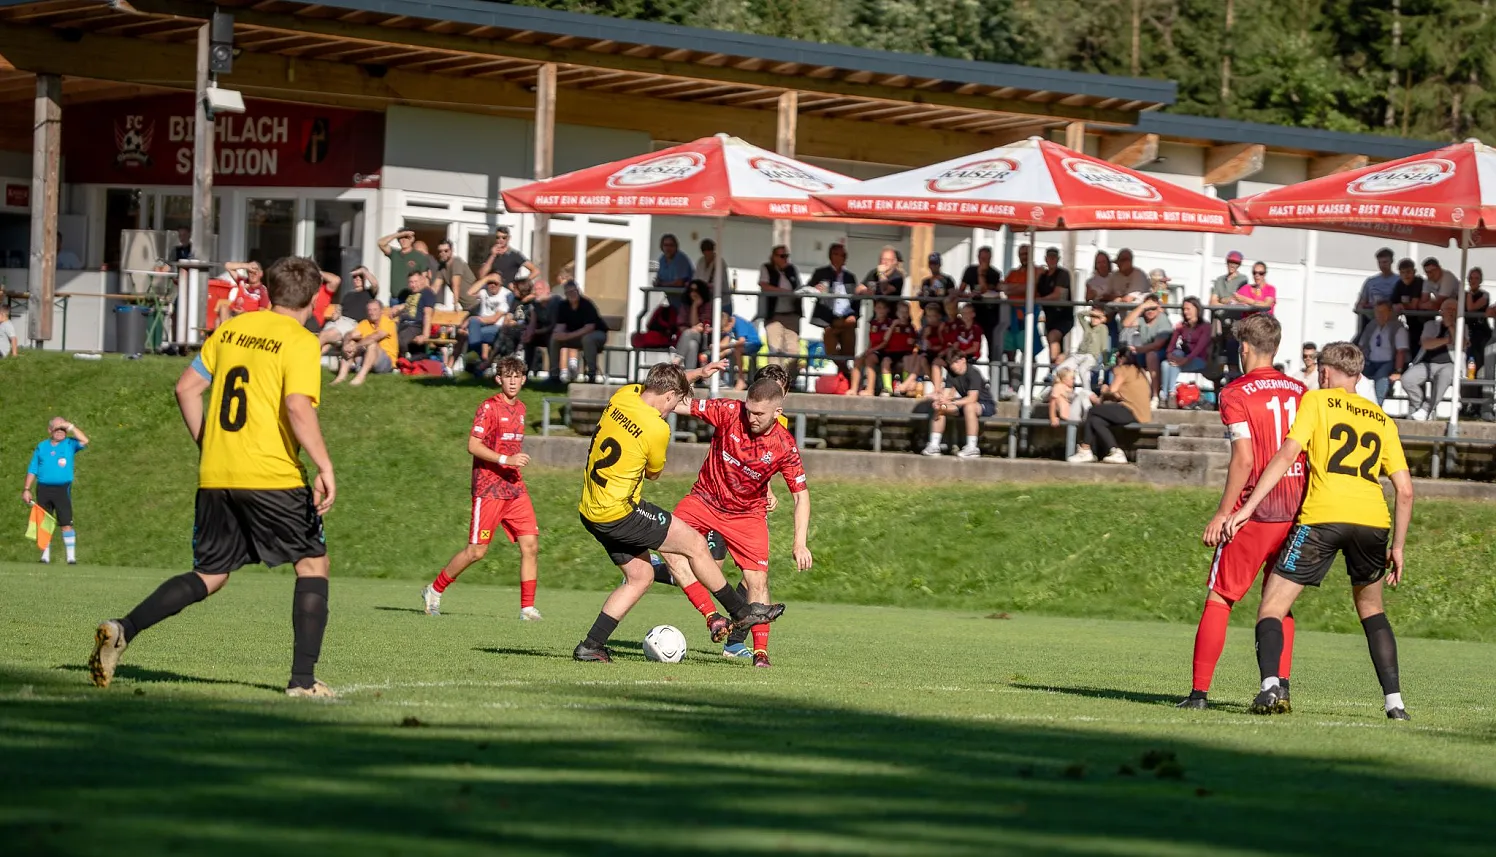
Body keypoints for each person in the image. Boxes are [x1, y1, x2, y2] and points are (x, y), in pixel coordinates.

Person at [90, 256, 337, 697]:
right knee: (313, 564)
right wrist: (325, 465)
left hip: (216, 473)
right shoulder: (301, 341)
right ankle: (302, 681)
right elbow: (298, 408)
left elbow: (186, 388)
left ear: (271, 292)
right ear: (316, 296)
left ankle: (123, 628)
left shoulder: (231, 329)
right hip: (271, 474)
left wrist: (210, 444)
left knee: (211, 573)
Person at [1224, 342, 1414, 720]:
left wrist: (1247, 507)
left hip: (1324, 516)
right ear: (1358, 375)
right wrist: (1399, 547)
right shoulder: (1381, 418)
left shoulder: (1316, 401)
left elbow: (1286, 454)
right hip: (1373, 521)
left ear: (1325, 372)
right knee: (1372, 610)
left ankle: (1269, 688)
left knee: (1272, 607)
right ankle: (1395, 703)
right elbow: (1405, 490)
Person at [572, 363, 783, 662]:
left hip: (590, 509)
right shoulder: (657, 428)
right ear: (669, 395)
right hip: (620, 512)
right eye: (673, 401)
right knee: (695, 544)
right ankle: (741, 612)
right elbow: (654, 473)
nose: (672, 409)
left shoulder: (623, 395)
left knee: (640, 576)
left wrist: (695, 374)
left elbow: (662, 384)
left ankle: (591, 645)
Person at [1178, 314, 1306, 710]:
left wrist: (1223, 512)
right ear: (1277, 348)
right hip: (1297, 509)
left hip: (1256, 511)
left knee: (1220, 597)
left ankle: (1199, 693)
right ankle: (1278, 686)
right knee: (1280, 603)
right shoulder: (1302, 390)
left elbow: (1244, 459)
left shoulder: (1235, 393)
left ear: (1244, 349)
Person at [660, 378, 812, 667]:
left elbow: (801, 497)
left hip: (747, 515)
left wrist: (799, 542)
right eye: (749, 410)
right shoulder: (729, 411)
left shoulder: (784, 445)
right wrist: (646, 400)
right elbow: (681, 404)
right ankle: (713, 617)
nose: (751, 418)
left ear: (777, 412)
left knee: (758, 581)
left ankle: (760, 653)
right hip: (704, 500)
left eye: (759, 414)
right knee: (666, 546)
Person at [421, 357, 541, 620]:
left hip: (514, 487)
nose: (512, 381)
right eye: (507, 376)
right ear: (498, 379)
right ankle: (434, 589)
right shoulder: (488, 407)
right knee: (477, 551)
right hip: (489, 489)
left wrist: (512, 463)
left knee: (530, 545)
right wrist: (505, 459)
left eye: (517, 376)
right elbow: (473, 445)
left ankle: (527, 609)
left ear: (523, 379)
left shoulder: (521, 409)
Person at [23, 417, 90, 564]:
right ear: (49, 430)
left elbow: (85, 440)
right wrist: (27, 489)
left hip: (62, 489)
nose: (60, 432)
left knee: (66, 522)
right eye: (57, 429)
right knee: (43, 522)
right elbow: (33, 468)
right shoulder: (42, 447)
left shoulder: (70, 444)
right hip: (43, 488)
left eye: (63, 429)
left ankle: (71, 558)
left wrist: (70, 426)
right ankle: (45, 557)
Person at [1069, 353, 1150, 464]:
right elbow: (1123, 394)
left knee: (1092, 411)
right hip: (1139, 412)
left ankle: (1085, 449)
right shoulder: (1139, 371)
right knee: (1095, 421)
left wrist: (1105, 389)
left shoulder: (1124, 369)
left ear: (1121, 359)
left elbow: (1112, 389)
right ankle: (1115, 451)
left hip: (1130, 410)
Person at [922, 350, 995, 459]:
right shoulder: (951, 374)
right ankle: (934, 445)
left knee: (969, 407)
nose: (953, 366)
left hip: (984, 404)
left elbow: (972, 398)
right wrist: (940, 400)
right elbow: (946, 395)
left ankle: (972, 447)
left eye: (955, 362)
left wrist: (954, 402)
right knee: (940, 408)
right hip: (963, 404)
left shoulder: (973, 373)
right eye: (951, 363)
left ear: (963, 360)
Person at [1402, 298, 1464, 421]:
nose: (1450, 312)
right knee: (1406, 379)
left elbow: (1461, 344)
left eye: (1454, 309)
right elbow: (1426, 344)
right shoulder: (1430, 325)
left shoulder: (1463, 326)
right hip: (1426, 363)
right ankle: (1420, 406)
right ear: (1441, 311)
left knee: (1445, 376)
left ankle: (1426, 409)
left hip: (1450, 364)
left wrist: (1451, 326)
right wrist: (1447, 340)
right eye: (1448, 309)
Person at [811, 243, 861, 375]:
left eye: (843, 255)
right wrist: (815, 289)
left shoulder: (850, 277)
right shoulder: (821, 273)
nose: (840, 257)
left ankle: (843, 381)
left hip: (847, 318)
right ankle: (847, 375)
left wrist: (855, 316)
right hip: (830, 320)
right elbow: (807, 289)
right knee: (831, 350)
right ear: (830, 256)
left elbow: (856, 298)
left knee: (848, 352)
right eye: (836, 254)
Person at [757, 245, 804, 382]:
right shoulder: (767, 268)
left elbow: (799, 288)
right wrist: (784, 292)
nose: (785, 259)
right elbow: (764, 285)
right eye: (782, 256)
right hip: (774, 315)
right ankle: (773, 382)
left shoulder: (792, 270)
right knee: (774, 348)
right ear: (774, 257)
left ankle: (791, 381)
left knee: (793, 350)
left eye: (786, 256)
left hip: (792, 314)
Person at [549, 280, 609, 384]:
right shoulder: (563, 306)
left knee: (588, 339)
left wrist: (567, 336)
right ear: (566, 294)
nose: (573, 294)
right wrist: (557, 334)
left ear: (578, 291)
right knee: (554, 339)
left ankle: (591, 374)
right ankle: (554, 375)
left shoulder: (586, 304)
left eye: (574, 291)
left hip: (596, 334)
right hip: (576, 337)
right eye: (569, 292)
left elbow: (589, 328)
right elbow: (560, 325)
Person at [333, 299, 397, 386]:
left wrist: (356, 346)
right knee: (350, 342)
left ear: (381, 311)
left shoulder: (388, 322)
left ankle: (361, 377)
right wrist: (345, 345)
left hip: (386, 363)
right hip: (367, 359)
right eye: (369, 310)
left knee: (372, 344)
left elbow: (375, 337)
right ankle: (341, 377)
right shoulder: (365, 323)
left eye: (375, 310)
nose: (372, 312)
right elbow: (350, 334)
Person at [1119, 296, 1172, 400]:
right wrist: (1141, 307)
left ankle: (1155, 395)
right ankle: (1125, 393)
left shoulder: (1163, 319)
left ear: (1158, 308)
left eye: (1153, 308)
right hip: (1146, 350)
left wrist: (1138, 349)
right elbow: (1126, 323)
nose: (1150, 311)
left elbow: (1158, 345)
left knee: (1151, 355)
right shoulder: (1142, 319)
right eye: (1147, 309)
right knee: (1124, 357)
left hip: (1163, 352)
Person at [1159, 297, 1210, 406]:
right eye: (1183, 309)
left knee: (1173, 364)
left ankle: (1166, 396)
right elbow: (1172, 344)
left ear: (1196, 309)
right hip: (1182, 358)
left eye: (1188, 309)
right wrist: (1169, 354)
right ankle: (1169, 394)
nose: (1185, 312)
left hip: (1198, 359)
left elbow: (1199, 348)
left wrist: (1185, 360)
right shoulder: (1181, 325)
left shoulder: (1205, 326)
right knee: (1165, 363)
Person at [1357, 300, 1410, 405]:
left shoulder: (1398, 327)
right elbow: (1361, 346)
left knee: (1381, 377)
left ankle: (1377, 406)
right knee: (1353, 374)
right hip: (1370, 360)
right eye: (1377, 312)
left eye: (1383, 312)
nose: (1379, 315)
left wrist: (1397, 371)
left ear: (1390, 312)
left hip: (1389, 361)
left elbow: (1401, 352)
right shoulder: (1371, 325)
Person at [962, 246, 1004, 364]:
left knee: (992, 347)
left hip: (991, 314)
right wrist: (969, 295)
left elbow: (985, 290)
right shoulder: (970, 270)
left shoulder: (994, 273)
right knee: (970, 345)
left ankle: (993, 377)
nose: (983, 261)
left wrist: (981, 274)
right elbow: (961, 290)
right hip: (975, 313)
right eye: (982, 258)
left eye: (986, 259)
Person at [1210, 250, 1249, 376]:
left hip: (1235, 322)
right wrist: (1228, 301)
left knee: (1233, 344)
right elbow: (1212, 302)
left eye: (1236, 263)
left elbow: (1239, 300)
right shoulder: (1219, 280)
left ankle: (1234, 373)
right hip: (1219, 323)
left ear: (1239, 265)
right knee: (1216, 351)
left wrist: (1222, 300)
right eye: (1230, 262)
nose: (1232, 265)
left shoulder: (1243, 280)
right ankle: (1217, 377)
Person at [465, 274, 516, 367]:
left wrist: (474, 319)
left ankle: (476, 361)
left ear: (501, 283)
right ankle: (478, 361)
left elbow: (494, 319)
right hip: (482, 325)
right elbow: (469, 293)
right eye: (490, 283)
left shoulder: (506, 295)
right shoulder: (484, 291)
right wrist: (486, 279)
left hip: (497, 327)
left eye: (495, 283)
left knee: (473, 328)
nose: (492, 285)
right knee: (472, 324)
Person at [477, 225, 543, 291]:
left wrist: (519, 284)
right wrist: (492, 255)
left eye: (504, 237)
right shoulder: (491, 253)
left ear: (508, 238)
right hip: (491, 292)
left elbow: (536, 271)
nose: (500, 240)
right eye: (498, 237)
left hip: (507, 293)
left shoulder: (514, 255)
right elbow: (481, 275)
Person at [1037, 247, 1073, 364]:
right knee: (1052, 342)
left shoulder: (1062, 274)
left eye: (1054, 257)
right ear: (1045, 259)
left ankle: (1053, 370)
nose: (1052, 260)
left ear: (1058, 259)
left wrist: (1040, 299)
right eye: (1049, 257)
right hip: (1049, 317)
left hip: (1063, 316)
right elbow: (1034, 291)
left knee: (1053, 337)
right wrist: (1037, 275)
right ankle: (1058, 368)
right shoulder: (1043, 276)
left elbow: (1057, 294)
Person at [394, 270, 436, 358]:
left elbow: (427, 314)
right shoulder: (410, 294)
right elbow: (411, 306)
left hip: (415, 326)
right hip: (403, 324)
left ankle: (405, 358)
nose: (413, 285)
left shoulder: (427, 293)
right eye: (411, 282)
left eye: (415, 282)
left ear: (422, 280)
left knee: (400, 339)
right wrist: (399, 308)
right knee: (388, 332)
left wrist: (425, 335)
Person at [676, 279, 715, 372]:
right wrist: (694, 305)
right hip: (687, 339)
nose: (693, 293)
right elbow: (681, 325)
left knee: (689, 333)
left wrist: (695, 306)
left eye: (696, 290)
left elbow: (702, 326)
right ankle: (690, 375)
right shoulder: (685, 306)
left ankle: (677, 359)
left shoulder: (707, 306)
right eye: (691, 290)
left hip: (705, 339)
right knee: (692, 344)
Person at [433, 240, 479, 313]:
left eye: (446, 251)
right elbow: (435, 287)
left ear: (451, 251)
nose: (443, 253)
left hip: (477, 304)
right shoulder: (442, 267)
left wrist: (455, 304)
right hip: (466, 307)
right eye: (440, 251)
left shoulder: (456, 262)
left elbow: (456, 284)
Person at [654, 233, 694, 307]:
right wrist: (657, 283)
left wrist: (662, 284)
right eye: (665, 245)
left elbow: (679, 283)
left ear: (676, 247)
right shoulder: (662, 259)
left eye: (671, 245)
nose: (668, 248)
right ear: (661, 247)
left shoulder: (681, 259)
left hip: (686, 301)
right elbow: (659, 279)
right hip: (671, 300)